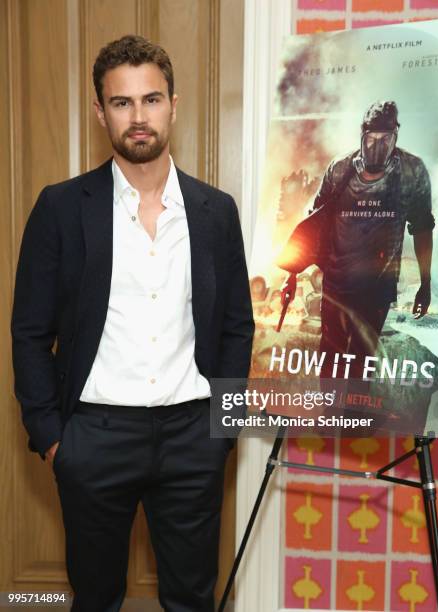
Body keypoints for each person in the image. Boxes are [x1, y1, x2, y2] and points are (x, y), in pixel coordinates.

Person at [11, 35, 254, 612]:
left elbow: (237, 328)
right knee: (95, 598)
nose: (138, 117)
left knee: (192, 599)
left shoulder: (215, 211)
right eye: (122, 103)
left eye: (151, 99)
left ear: (174, 104)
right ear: (100, 111)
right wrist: (51, 438)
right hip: (93, 437)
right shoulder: (61, 207)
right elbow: (28, 331)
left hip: (194, 436)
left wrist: (222, 429)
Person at [278, 101, 434, 382]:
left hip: (378, 285)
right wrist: (291, 274)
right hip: (336, 282)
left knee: (362, 365)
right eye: (371, 138)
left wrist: (426, 283)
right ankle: (329, 421)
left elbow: (422, 228)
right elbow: (314, 224)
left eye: (385, 139)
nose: (377, 146)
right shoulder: (340, 169)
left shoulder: (412, 171)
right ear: (362, 135)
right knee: (330, 361)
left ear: (395, 136)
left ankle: (353, 424)